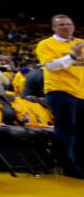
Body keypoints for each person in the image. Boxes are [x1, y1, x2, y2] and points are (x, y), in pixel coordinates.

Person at [35, 14, 84, 178]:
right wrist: (72, 56)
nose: (66, 27)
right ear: (54, 28)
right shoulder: (46, 44)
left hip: (81, 91)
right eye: (61, 25)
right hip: (60, 91)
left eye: (69, 24)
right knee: (66, 129)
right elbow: (51, 66)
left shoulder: (81, 44)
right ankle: (68, 167)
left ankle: (80, 165)